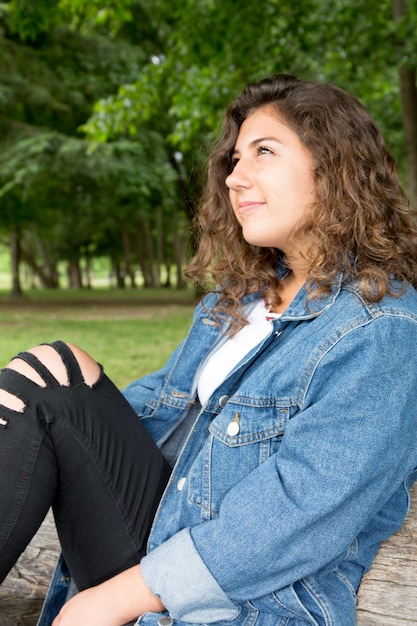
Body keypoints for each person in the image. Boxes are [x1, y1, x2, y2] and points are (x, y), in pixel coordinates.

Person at [1, 73, 417, 626]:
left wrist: (111, 600)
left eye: (263, 152)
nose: (234, 178)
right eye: (234, 160)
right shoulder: (238, 303)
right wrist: (75, 382)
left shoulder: (379, 329)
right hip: (160, 532)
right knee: (50, 372)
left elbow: (296, 516)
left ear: (334, 167)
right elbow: (149, 420)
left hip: (241, 598)